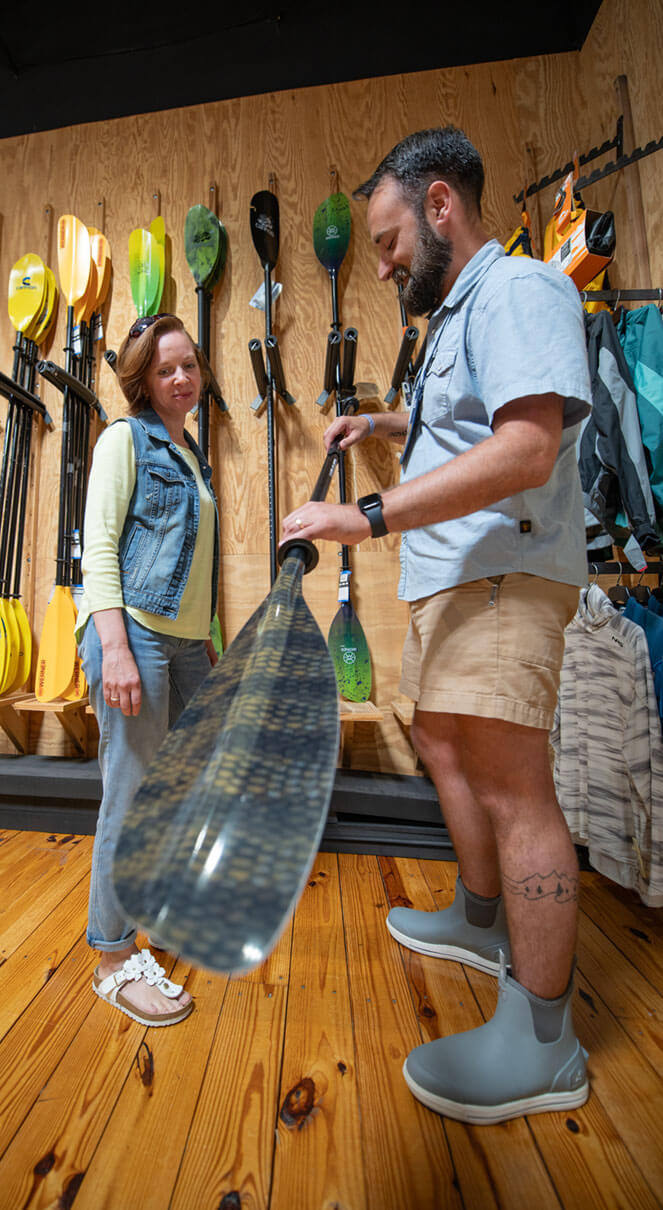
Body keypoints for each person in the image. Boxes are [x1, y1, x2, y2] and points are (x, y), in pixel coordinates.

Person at [281, 127, 592, 1123]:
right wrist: (382, 428)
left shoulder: (520, 291)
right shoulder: (460, 315)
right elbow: (464, 423)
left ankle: (544, 1039)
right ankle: (479, 916)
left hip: (503, 570)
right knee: (450, 755)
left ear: (442, 204)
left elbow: (527, 445)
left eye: (387, 240)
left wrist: (365, 514)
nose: (380, 264)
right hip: (455, 581)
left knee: (514, 792)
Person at [76, 313, 219, 1027]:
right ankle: (110, 958)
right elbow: (97, 549)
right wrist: (118, 648)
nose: (181, 378)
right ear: (142, 378)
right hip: (132, 634)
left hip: (186, 645)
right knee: (130, 797)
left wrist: (208, 639)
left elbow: (192, 566)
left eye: (188, 364)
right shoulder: (122, 439)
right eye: (165, 369)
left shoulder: (192, 452)